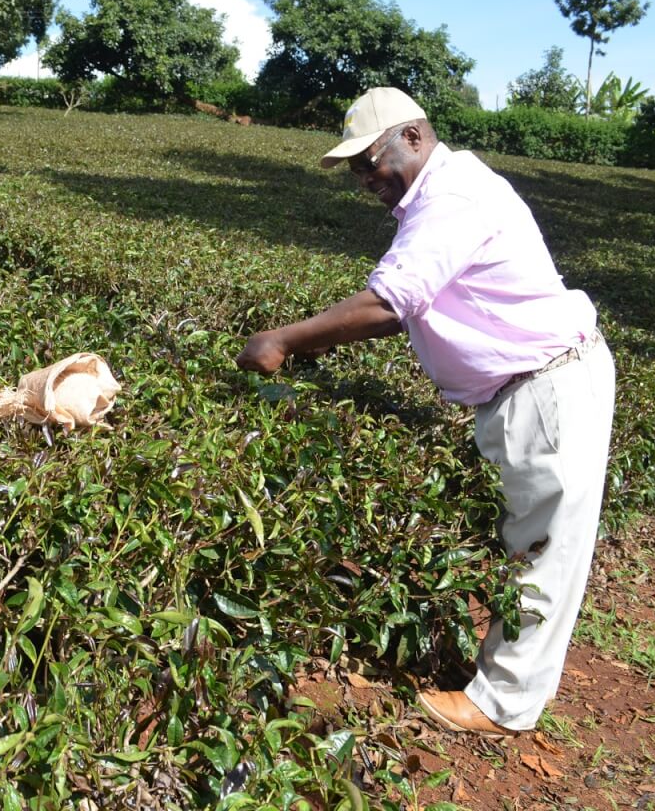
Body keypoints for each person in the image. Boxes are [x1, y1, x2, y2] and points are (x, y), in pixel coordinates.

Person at [236, 87, 615, 737]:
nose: (363, 179)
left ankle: (502, 706)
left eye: (369, 160)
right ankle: (495, 675)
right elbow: (405, 306)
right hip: (525, 390)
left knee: (541, 551)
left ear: (413, 136)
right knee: (522, 539)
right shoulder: (440, 196)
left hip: (546, 392)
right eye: (354, 168)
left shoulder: (451, 197)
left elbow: (393, 303)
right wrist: (318, 340)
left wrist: (281, 340)